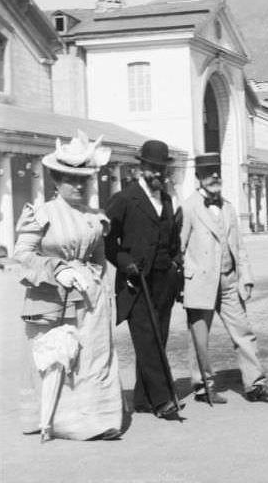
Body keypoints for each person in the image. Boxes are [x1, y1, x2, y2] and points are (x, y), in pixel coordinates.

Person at [14, 130, 124, 440]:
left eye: (84, 179)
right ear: (55, 179)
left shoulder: (95, 217)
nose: (78, 184)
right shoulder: (41, 214)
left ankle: (95, 420)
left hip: (90, 299)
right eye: (69, 178)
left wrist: (97, 285)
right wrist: (56, 269)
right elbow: (22, 256)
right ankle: (54, 419)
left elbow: (100, 258)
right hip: (53, 295)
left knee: (93, 356)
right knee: (59, 356)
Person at [179, 153, 268, 404]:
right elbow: (177, 250)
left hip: (228, 282)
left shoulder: (228, 207)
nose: (214, 177)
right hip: (200, 284)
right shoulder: (188, 208)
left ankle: (255, 384)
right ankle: (203, 387)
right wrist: (182, 284)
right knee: (199, 340)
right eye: (208, 173)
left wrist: (245, 276)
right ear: (198, 178)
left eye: (217, 172)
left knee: (244, 332)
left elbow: (239, 246)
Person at [105, 140, 183, 420]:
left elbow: (173, 240)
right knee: (146, 338)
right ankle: (163, 400)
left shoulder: (167, 199)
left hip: (164, 281)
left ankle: (143, 398)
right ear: (141, 167)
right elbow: (107, 240)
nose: (158, 174)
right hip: (135, 283)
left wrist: (176, 267)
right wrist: (126, 264)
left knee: (158, 337)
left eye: (162, 169)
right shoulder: (125, 199)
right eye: (153, 168)